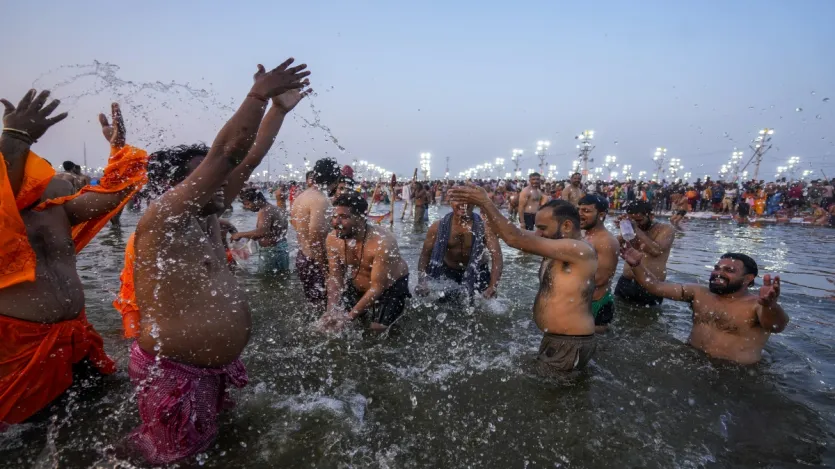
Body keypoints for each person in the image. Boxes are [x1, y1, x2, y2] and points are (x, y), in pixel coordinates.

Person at [129, 60, 310, 464]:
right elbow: (228, 154)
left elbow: (246, 161)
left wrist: (277, 111)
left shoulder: (206, 213)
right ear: (170, 187)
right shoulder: (164, 216)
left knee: (213, 449)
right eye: (204, 178)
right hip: (174, 371)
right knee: (170, 460)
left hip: (209, 368)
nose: (219, 184)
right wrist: (257, 96)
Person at [0, 90, 148, 426]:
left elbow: (115, 194)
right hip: (19, 349)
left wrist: (118, 149)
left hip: (76, 337)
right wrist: (15, 135)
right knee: (28, 432)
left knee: (93, 420)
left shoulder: (54, 211)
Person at [447, 185, 597, 376]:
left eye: (543, 228)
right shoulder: (558, 245)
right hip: (559, 339)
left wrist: (485, 201)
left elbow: (514, 239)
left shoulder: (578, 249)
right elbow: (510, 234)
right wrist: (483, 211)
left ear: (566, 226)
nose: (538, 234)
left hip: (569, 342)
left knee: (551, 399)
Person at [620, 247, 789, 364]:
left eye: (729, 270)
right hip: (693, 359)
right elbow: (655, 286)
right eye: (717, 268)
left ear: (748, 279)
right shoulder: (699, 293)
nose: (718, 273)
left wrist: (770, 305)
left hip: (736, 374)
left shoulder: (756, 306)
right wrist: (637, 265)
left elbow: (776, 326)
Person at [321, 193, 411, 332]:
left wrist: (348, 318)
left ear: (362, 218)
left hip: (390, 285)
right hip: (358, 283)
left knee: (377, 329)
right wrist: (330, 311)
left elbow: (377, 287)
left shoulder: (382, 243)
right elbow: (335, 277)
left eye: (344, 217)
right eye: (334, 216)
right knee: (337, 322)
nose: (336, 222)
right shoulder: (332, 238)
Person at [415, 198, 503, 300]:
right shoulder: (437, 227)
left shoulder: (485, 228)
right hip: (448, 271)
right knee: (444, 306)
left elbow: (497, 257)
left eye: (467, 200)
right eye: (458, 200)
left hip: (478, 271)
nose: (463, 204)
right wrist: (422, 281)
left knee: (481, 307)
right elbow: (425, 255)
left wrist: (493, 286)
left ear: (475, 203)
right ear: (450, 202)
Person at [291, 157, 342, 308]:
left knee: (313, 305)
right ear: (335, 178)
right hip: (315, 261)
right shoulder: (320, 200)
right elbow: (316, 237)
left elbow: (294, 224)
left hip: (303, 257)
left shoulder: (302, 196)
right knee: (326, 306)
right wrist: (326, 269)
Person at [614, 201, 676, 306]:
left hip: (652, 285)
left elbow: (656, 250)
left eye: (639, 220)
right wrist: (623, 228)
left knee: (647, 321)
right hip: (626, 282)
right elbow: (613, 246)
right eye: (632, 221)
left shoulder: (666, 229)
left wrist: (635, 229)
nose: (636, 223)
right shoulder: (630, 230)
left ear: (651, 216)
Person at [578, 194, 620, 332]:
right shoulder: (585, 234)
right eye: (579, 210)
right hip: (582, 301)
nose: (580, 214)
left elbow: (601, 278)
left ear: (601, 215)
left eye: (586, 211)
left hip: (596, 304)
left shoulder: (606, 241)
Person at [234, 188, 290, 274]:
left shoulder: (264, 211)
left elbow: (262, 232)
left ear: (257, 200)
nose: (247, 207)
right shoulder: (275, 208)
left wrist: (240, 234)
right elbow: (270, 232)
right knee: (281, 277)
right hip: (282, 249)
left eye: (248, 204)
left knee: (265, 280)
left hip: (271, 252)